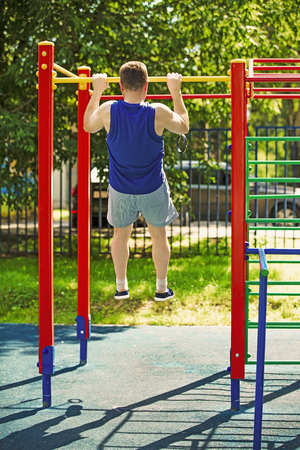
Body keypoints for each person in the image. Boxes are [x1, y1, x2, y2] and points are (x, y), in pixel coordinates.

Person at [84, 61, 189, 301]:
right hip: (153, 187)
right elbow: (184, 125)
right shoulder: (158, 112)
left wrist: (97, 91)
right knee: (159, 237)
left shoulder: (109, 110)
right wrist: (176, 91)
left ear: (121, 85)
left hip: (121, 188)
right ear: (146, 85)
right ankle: (161, 289)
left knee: (120, 236)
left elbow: (87, 125)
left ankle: (121, 287)